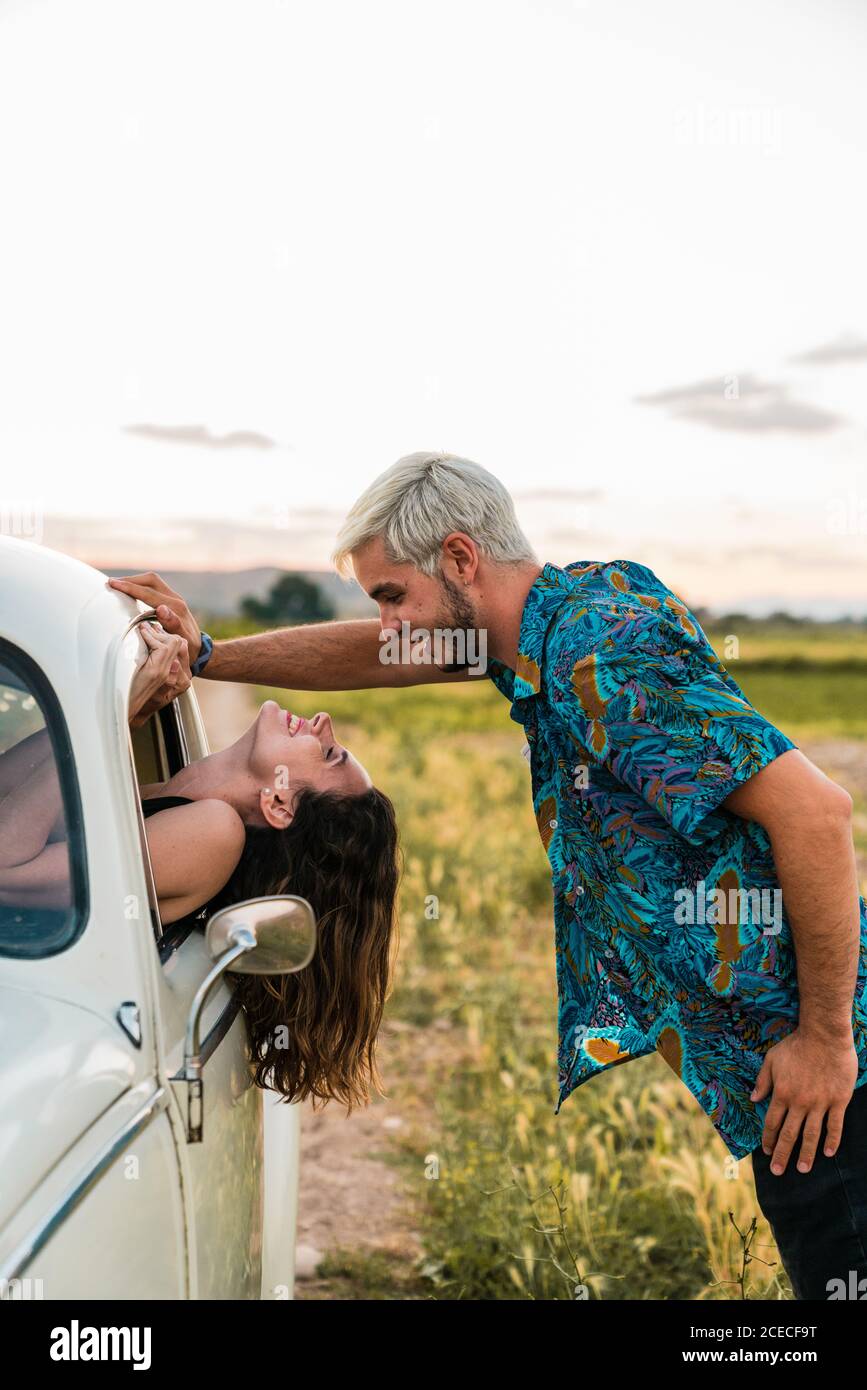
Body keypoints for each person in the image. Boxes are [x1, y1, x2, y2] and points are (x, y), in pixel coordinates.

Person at [109, 449, 867, 1300]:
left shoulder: (599, 654)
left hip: (830, 1075)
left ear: (462, 559)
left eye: (393, 594)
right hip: (780, 1068)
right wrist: (208, 653)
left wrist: (826, 1042)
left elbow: (816, 815)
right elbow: (378, 655)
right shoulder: (540, 635)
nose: (388, 623)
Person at [0, 621, 401, 1114]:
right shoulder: (165, 797)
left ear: (279, 804)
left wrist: (113, 718)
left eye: (330, 754)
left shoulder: (213, 832)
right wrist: (132, 709)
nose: (322, 721)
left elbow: (6, 867)